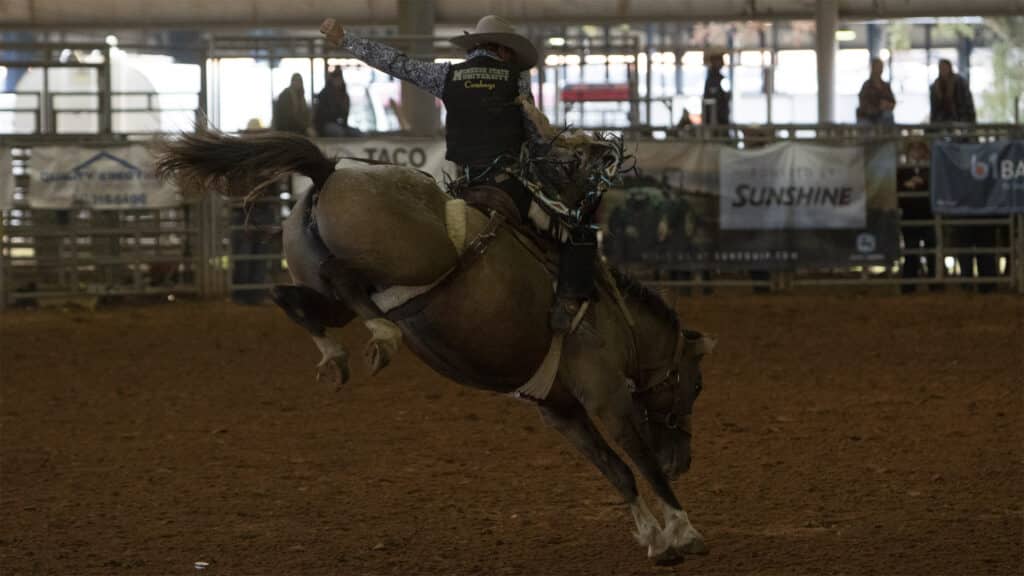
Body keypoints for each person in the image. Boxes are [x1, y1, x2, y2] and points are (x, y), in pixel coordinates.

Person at [321, 14, 591, 332]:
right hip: (510, 187)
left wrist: (346, 39)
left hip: (462, 188)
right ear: (504, 51)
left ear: (477, 45)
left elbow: (396, 63)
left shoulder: (447, 75)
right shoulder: (516, 80)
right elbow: (536, 139)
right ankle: (568, 302)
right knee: (578, 228)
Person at [929, 59, 975, 123]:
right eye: (941, 68)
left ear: (950, 68)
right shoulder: (935, 86)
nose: (943, 70)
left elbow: (967, 102)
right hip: (942, 120)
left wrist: (970, 119)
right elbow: (934, 108)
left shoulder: (960, 82)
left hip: (960, 118)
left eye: (945, 68)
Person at [314, 67, 352, 137]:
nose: (338, 81)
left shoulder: (343, 94)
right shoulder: (325, 93)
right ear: (332, 80)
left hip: (338, 124)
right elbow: (322, 114)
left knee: (355, 133)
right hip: (325, 124)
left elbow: (345, 113)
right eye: (336, 79)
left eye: (339, 79)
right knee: (340, 132)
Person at [857, 58, 896, 125]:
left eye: (880, 67)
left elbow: (892, 102)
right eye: (876, 67)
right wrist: (877, 108)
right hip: (868, 117)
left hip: (883, 117)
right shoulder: (866, 86)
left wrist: (886, 105)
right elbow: (863, 105)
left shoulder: (885, 86)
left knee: (888, 115)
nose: (878, 70)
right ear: (872, 68)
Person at [701, 51, 730, 129]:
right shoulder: (711, 80)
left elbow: (727, 96)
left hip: (720, 118)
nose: (720, 63)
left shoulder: (720, 79)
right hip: (714, 119)